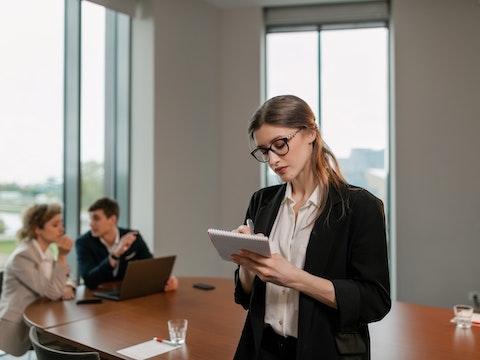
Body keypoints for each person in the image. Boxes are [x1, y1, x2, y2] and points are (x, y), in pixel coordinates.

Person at [230, 95, 391, 360]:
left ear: (310, 134)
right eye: (264, 151)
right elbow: (246, 298)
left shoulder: (361, 207)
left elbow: (375, 301)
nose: (272, 160)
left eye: (280, 145)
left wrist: (292, 277)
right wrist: (248, 266)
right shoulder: (261, 201)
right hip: (261, 350)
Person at [0, 203, 76, 356]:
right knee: (72, 342)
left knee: (73, 339)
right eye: (55, 225)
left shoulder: (45, 252)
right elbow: (52, 292)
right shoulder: (23, 256)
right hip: (19, 328)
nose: (62, 229)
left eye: (61, 224)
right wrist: (62, 256)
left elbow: (66, 277)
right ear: (37, 228)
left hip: (42, 318)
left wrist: (67, 286)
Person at [76, 197, 178, 291]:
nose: (91, 223)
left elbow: (150, 267)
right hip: (98, 298)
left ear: (112, 220)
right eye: (91, 218)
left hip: (127, 295)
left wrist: (167, 280)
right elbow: (89, 280)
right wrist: (115, 255)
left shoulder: (133, 237)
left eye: (96, 218)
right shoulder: (83, 242)